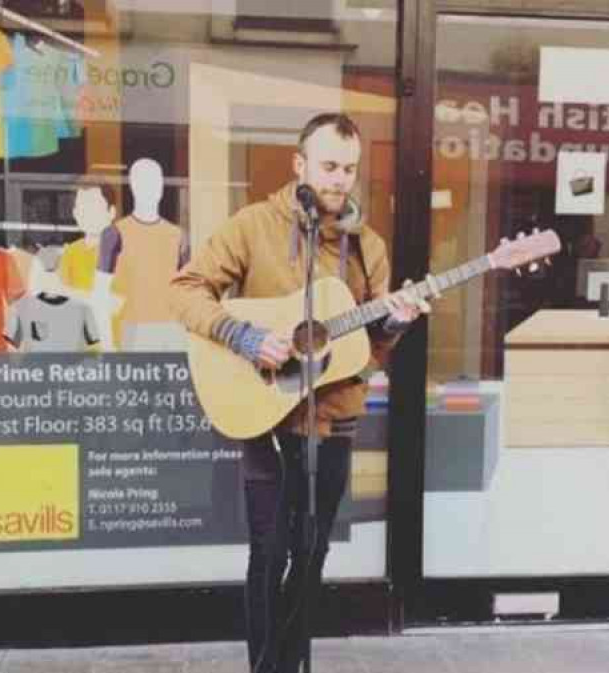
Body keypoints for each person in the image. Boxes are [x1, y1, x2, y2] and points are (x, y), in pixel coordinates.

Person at [169, 113, 428, 673]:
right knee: (270, 552)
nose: (340, 179)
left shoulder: (368, 248)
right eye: (330, 166)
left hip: (332, 420)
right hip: (262, 413)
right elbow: (185, 290)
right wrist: (242, 335)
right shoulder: (253, 226)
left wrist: (394, 322)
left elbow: (367, 353)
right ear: (300, 165)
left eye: (350, 169)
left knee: (311, 554)